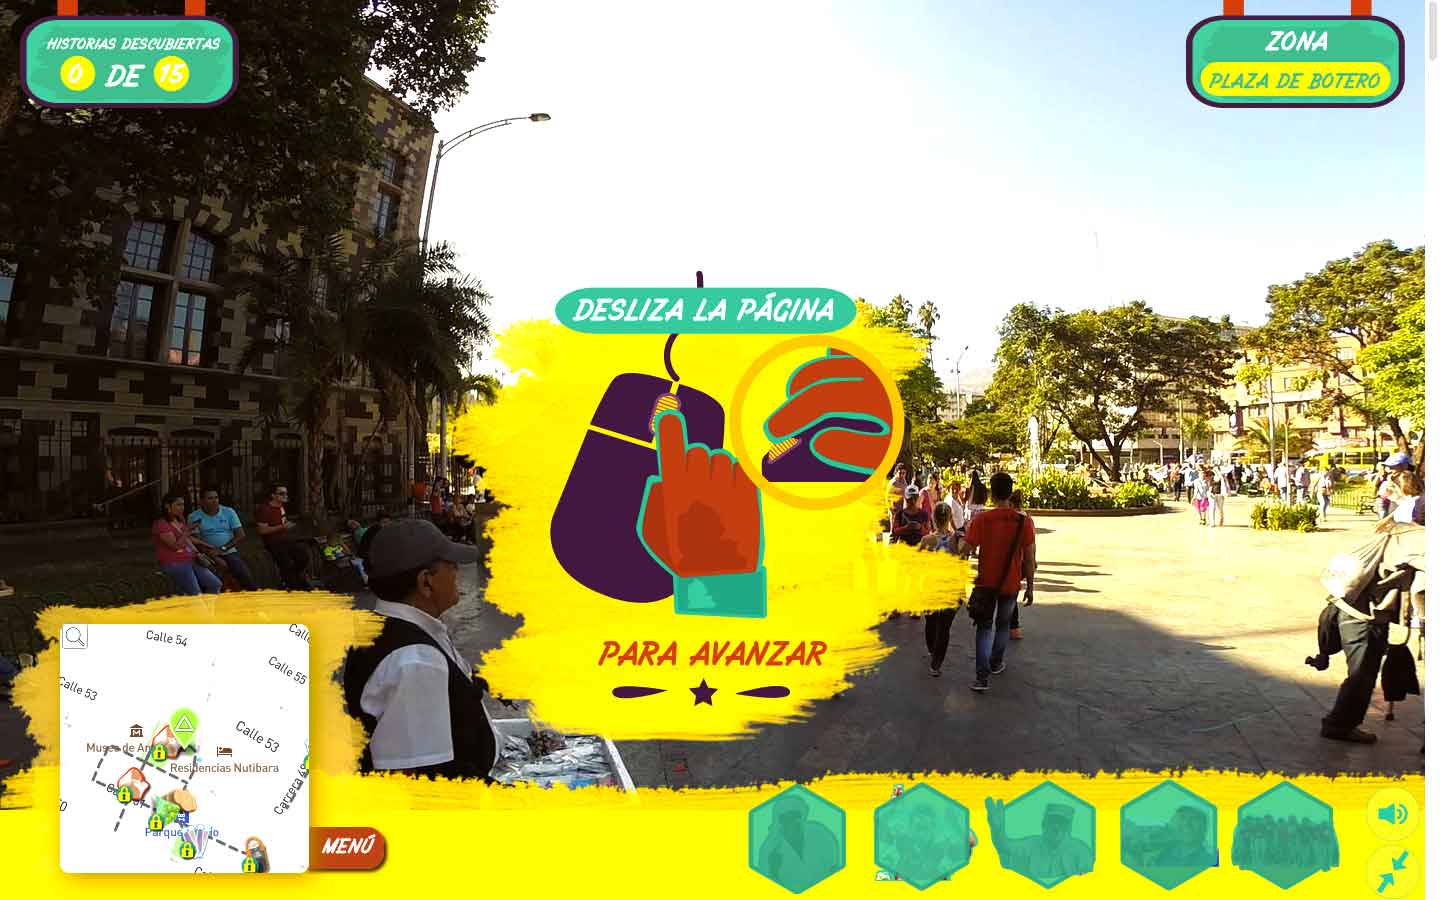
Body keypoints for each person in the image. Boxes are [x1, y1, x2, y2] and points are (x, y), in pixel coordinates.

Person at [341, 518, 500, 779]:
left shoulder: (386, 627)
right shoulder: (415, 660)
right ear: (426, 582)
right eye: (450, 565)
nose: (457, 571)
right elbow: (425, 780)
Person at [959, 473, 1036, 693]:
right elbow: (1029, 559)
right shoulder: (1024, 521)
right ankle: (996, 663)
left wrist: (958, 540)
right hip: (1010, 584)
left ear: (991, 494)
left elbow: (966, 550)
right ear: (1010, 493)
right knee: (1003, 625)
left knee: (984, 627)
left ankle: (981, 678)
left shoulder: (982, 520)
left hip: (986, 583)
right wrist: (1030, 587)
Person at [987, 799, 1094, 885]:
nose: (1056, 827)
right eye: (1052, 821)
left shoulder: (1082, 852)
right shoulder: (1029, 845)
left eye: (1062, 822)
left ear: (1069, 828)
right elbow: (1005, 848)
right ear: (1043, 824)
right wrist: (997, 829)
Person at [756, 792, 842, 893]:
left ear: (803, 815)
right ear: (778, 820)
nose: (791, 821)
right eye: (785, 817)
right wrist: (773, 870)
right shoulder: (769, 848)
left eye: (794, 815)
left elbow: (833, 867)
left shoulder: (820, 834)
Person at [153, 492, 223, 596]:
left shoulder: (179, 520)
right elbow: (176, 546)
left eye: (183, 504)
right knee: (196, 593)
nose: (182, 508)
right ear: (167, 506)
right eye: (178, 504)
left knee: (215, 584)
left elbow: (187, 539)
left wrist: (205, 546)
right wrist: (188, 530)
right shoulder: (161, 524)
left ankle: (208, 606)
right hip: (175, 562)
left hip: (191, 559)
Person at [919, 503, 961, 677]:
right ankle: (936, 663)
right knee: (944, 627)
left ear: (933, 518)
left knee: (931, 622)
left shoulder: (926, 540)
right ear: (950, 518)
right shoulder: (956, 540)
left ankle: (932, 650)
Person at [187, 488, 257, 590]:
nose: (214, 501)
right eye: (210, 498)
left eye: (216, 498)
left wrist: (222, 549)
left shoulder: (228, 512)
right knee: (209, 575)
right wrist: (212, 555)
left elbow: (240, 534)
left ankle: (253, 594)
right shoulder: (194, 516)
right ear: (201, 501)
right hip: (207, 552)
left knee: (243, 573)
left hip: (228, 551)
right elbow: (197, 541)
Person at [255, 483, 311, 590]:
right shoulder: (265, 509)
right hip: (273, 542)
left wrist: (287, 526)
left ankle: (296, 578)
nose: (285, 495)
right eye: (281, 493)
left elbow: (282, 522)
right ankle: (292, 584)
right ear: (273, 495)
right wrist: (282, 527)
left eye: (286, 493)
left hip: (285, 539)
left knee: (303, 556)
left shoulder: (281, 507)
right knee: (286, 562)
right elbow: (262, 530)